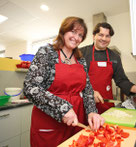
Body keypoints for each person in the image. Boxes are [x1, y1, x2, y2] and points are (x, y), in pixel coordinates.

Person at [23, 16, 105, 147]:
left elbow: (87, 90)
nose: (76, 37)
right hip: (49, 122)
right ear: (63, 31)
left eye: (80, 35)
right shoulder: (47, 52)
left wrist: (92, 111)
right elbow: (30, 87)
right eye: (73, 31)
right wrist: (62, 108)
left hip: (76, 119)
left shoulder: (81, 60)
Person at [80, 22, 136, 114]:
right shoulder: (81, 53)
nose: (104, 39)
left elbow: (121, 80)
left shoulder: (114, 57)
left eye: (107, 36)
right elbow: (74, 80)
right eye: (101, 35)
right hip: (85, 105)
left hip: (106, 105)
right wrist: (89, 92)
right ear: (94, 36)